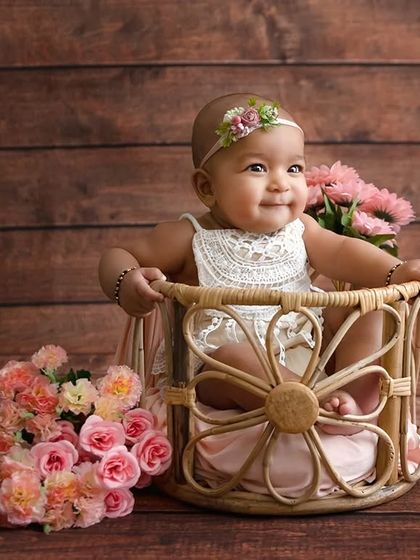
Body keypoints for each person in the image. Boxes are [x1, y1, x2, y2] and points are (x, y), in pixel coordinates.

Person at [99, 92, 420, 436]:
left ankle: (353, 402)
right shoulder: (188, 236)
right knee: (235, 358)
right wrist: (126, 279)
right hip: (219, 372)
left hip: (306, 352)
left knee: (368, 308)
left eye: (293, 168)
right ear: (207, 187)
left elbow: (343, 251)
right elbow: (117, 254)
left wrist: (395, 271)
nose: (281, 183)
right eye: (257, 168)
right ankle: (311, 402)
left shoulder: (301, 230)